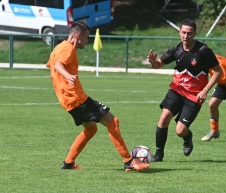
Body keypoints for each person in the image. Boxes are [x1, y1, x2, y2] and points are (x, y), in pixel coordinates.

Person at [46, 22, 150, 172]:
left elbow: (53, 63)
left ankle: (68, 163)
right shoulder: (68, 49)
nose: (87, 41)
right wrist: (67, 75)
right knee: (112, 121)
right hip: (77, 98)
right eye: (87, 38)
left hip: (68, 101)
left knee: (91, 130)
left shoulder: (57, 48)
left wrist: (64, 75)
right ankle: (129, 162)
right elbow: (58, 66)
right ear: (78, 36)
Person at [147, 19, 223, 162]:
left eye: (189, 33)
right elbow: (158, 65)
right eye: (183, 32)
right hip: (176, 90)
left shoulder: (203, 50)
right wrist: (152, 62)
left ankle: (188, 138)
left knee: (180, 130)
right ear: (179, 32)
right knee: (164, 118)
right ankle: (159, 155)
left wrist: (205, 90)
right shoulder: (176, 49)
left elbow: (218, 71)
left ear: (195, 34)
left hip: (195, 96)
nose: (186, 36)